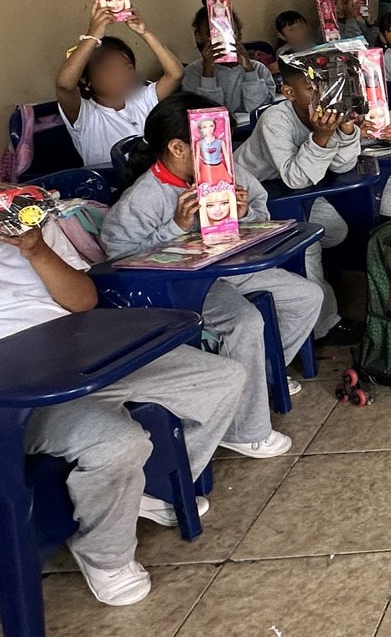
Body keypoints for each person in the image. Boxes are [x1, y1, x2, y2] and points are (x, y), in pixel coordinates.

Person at [0, 126, 263, 607]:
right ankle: (104, 554)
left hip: (84, 357)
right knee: (118, 442)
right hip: (7, 396)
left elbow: (82, 301)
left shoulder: (27, 235)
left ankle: (138, 489)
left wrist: (35, 250)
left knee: (221, 378)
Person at [101, 93, 313, 444]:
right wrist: (175, 228)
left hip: (229, 268)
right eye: (211, 141)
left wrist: (246, 213)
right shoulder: (144, 197)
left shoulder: (225, 172)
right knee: (244, 322)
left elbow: (261, 212)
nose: (221, 149)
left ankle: (259, 379)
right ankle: (244, 431)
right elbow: (120, 258)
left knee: (304, 297)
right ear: (178, 148)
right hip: (182, 286)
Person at [239, 56, 391, 341]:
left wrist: (345, 132)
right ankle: (324, 327)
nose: (322, 95)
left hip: (301, 193)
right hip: (255, 200)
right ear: (289, 92)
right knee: (309, 240)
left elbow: (342, 166)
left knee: (336, 231)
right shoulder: (276, 119)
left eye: (325, 87)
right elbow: (295, 177)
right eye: (311, 88)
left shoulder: (328, 113)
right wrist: (321, 137)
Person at [54, 5, 185, 169]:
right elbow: (64, 86)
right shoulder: (86, 116)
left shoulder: (141, 99)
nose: (121, 76)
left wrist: (145, 32)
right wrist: (92, 36)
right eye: (110, 70)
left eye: (127, 68)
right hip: (113, 184)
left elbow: (175, 74)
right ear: (87, 80)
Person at [184, 6, 278, 121]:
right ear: (199, 36)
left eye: (228, 31)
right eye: (213, 33)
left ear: (239, 34)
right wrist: (208, 74)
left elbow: (261, 111)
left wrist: (249, 70)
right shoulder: (192, 73)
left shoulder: (258, 69)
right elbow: (207, 119)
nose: (222, 39)